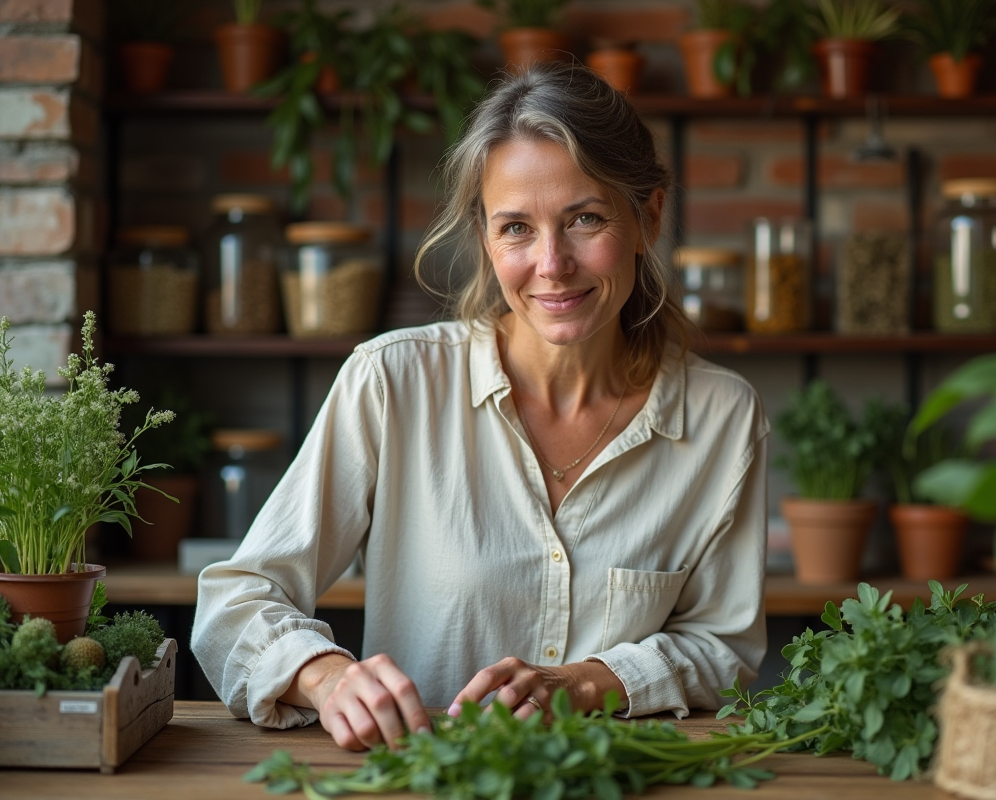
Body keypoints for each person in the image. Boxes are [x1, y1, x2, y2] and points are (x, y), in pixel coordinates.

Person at [193, 61, 769, 752]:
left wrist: (588, 683)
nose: (552, 264)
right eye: (517, 228)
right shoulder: (393, 382)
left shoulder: (722, 418)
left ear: (648, 216)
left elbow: (722, 645)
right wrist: (324, 677)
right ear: (484, 236)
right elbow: (236, 601)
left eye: (585, 218)